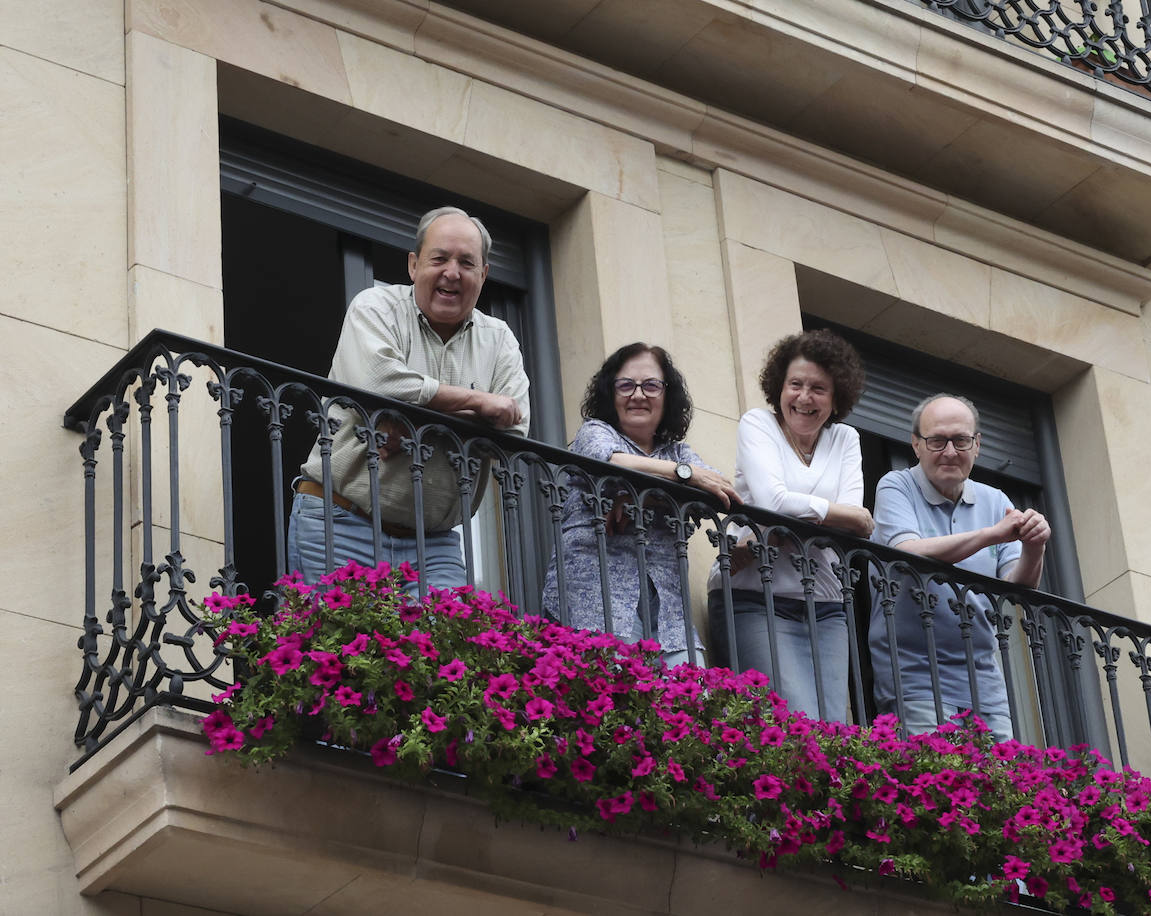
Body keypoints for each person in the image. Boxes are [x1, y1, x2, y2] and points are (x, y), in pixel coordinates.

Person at [287, 206, 530, 589]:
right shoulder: (375, 307)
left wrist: (410, 420)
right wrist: (478, 402)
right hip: (340, 519)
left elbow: (513, 431)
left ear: (483, 275)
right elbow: (378, 383)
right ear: (414, 265)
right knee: (332, 648)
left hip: (434, 544)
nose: (452, 272)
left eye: (467, 262)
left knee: (448, 648)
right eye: (440, 258)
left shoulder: (499, 340)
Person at [706, 329, 873, 721]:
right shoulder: (758, 424)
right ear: (779, 387)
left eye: (818, 388)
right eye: (795, 384)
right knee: (793, 723)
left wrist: (830, 516)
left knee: (832, 728)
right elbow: (773, 503)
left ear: (837, 397)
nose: (804, 397)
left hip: (827, 604)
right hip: (754, 597)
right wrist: (839, 515)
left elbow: (853, 520)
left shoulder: (846, 439)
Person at [868, 393, 1051, 741]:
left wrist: (1034, 547)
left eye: (961, 440)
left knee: (1002, 783)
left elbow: (1018, 587)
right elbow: (908, 553)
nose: (950, 451)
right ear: (916, 444)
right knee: (935, 782)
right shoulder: (896, 486)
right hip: (914, 673)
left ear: (977, 445)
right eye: (937, 440)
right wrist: (990, 535)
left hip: (984, 675)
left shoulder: (995, 500)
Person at [542, 343, 737, 667]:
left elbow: (717, 488)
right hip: (596, 596)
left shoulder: (676, 450)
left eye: (650, 385)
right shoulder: (595, 431)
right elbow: (606, 462)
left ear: (666, 395)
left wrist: (635, 496)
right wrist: (682, 477)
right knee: (623, 696)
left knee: (694, 699)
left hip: (668, 607)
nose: (638, 394)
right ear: (610, 393)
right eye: (626, 385)